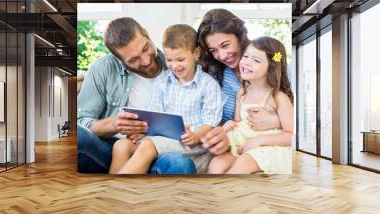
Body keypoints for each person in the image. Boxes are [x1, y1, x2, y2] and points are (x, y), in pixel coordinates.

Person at [77, 18, 196, 174]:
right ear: (118, 59)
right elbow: (81, 120)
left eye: (145, 48)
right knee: (79, 136)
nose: (146, 61)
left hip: (158, 150)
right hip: (110, 148)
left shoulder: (177, 65)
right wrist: (113, 125)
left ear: (146, 34)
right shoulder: (103, 68)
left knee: (181, 165)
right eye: (133, 60)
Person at [110, 24, 222, 174]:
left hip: (195, 144)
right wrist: (143, 132)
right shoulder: (162, 81)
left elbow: (211, 121)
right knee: (121, 145)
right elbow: (154, 115)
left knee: (148, 145)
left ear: (196, 53)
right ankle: (109, 189)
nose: (175, 66)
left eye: (180, 59)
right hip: (164, 140)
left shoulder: (208, 85)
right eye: (169, 60)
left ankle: (117, 191)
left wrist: (196, 136)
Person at [196, 9, 282, 157]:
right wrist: (222, 128)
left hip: (269, 147)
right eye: (213, 50)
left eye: (225, 45)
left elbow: (297, 121)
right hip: (233, 147)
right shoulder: (212, 75)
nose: (221, 55)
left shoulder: (270, 66)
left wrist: (276, 121)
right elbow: (207, 117)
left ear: (240, 37)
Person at [208, 36, 294, 174]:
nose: (247, 62)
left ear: (271, 67)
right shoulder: (242, 93)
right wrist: (229, 125)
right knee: (216, 164)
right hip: (243, 145)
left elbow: (291, 135)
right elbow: (239, 123)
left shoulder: (278, 97)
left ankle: (228, 193)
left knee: (242, 164)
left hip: (269, 147)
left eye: (256, 60)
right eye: (246, 56)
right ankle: (217, 194)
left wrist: (259, 140)